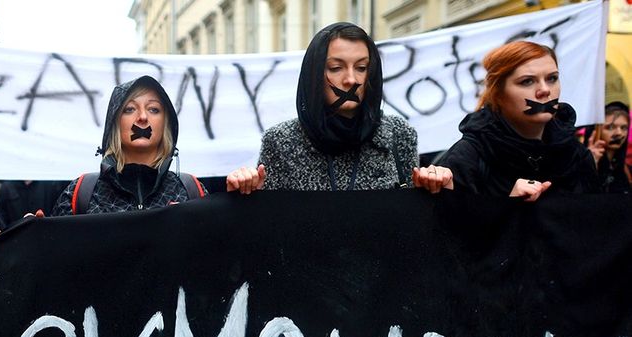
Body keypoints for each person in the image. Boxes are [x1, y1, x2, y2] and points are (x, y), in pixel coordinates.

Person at [226, 22, 451, 194]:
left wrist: (437, 186)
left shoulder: (398, 134)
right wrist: (245, 191)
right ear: (314, 74)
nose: (351, 79)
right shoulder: (280, 141)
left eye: (362, 67)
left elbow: (412, 219)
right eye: (336, 68)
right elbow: (269, 226)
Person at [435, 41, 597, 200]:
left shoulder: (576, 154)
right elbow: (452, 223)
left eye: (552, 78)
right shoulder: (468, 157)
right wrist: (508, 205)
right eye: (527, 81)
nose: (545, 90)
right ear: (498, 93)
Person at [52, 75, 205, 215]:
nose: (143, 117)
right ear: (115, 122)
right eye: (130, 109)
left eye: (153, 109)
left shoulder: (192, 192)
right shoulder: (79, 194)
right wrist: (35, 233)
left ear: (166, 122)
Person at [585, 101, 631, 193]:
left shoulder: (626, 170)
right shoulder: (578, 163)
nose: (619, 133)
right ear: (595, 131)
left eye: (624, 128)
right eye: (610, 127)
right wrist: (589, 163)